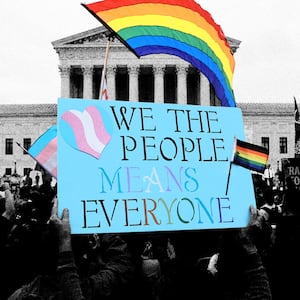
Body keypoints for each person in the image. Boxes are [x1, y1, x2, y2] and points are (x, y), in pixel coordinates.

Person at [7, 196, 136, 300]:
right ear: (84, 254)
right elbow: (122, 263)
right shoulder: (91, 290)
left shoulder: (21, 295)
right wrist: (101, 220)